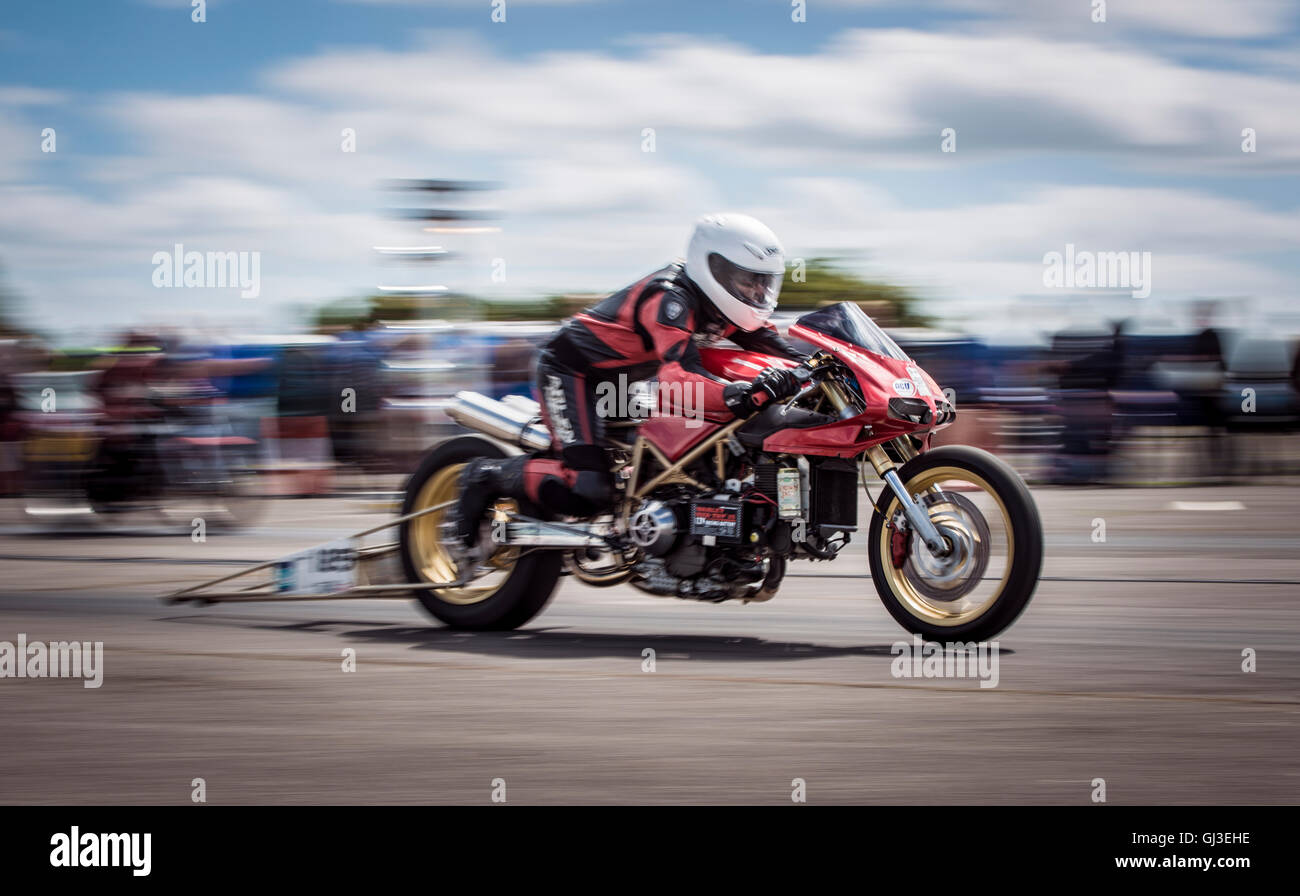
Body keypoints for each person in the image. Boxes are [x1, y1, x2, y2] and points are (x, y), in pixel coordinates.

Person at [455, 212, 808, 547]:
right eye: (749, 280)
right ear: (713, 267)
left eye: (764, 283)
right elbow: (677, 379)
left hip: (627, 382)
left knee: (659, 467)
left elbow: (785, 354)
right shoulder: (670, 297)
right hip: (574, 371)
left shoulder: (728, 305)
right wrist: (740, 394)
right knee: (589, 488)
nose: (757, 292)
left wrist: (825, 367)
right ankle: (485, 475)